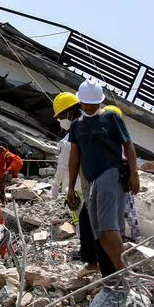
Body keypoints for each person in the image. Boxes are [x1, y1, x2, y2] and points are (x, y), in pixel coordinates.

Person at [66, 80, 140, 277]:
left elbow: (129, 146)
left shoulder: (111, 118)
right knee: (99, 232)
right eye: (86, 104)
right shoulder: (76, 126)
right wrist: (71, 187)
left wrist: (134, 174)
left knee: (108, 229)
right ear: (80, 103)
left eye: (93, 104)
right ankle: (113, 275)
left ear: (99, 103)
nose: (89, 107)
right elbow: (74, 158)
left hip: (110, 174)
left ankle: (125, 274)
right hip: (92, 182)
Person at [51, 92, 102, 271]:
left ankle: (89, 253)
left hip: (78, 189)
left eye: (61, 117)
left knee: (81, 221)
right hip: (90, 186)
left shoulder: (67, 142)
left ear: (71, 113)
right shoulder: (91, 129)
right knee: (87, 220)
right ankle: (91, 252)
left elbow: (62, 166)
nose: (59, 121)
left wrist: (56, 186)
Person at [103, 105, 141, 240]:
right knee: (123, 208)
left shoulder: (119, 139)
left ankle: (134, 236)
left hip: (122, 176)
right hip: (116, 176)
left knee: (127, 208)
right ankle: (125, 235)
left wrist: (133, 175)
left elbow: (128, 157)